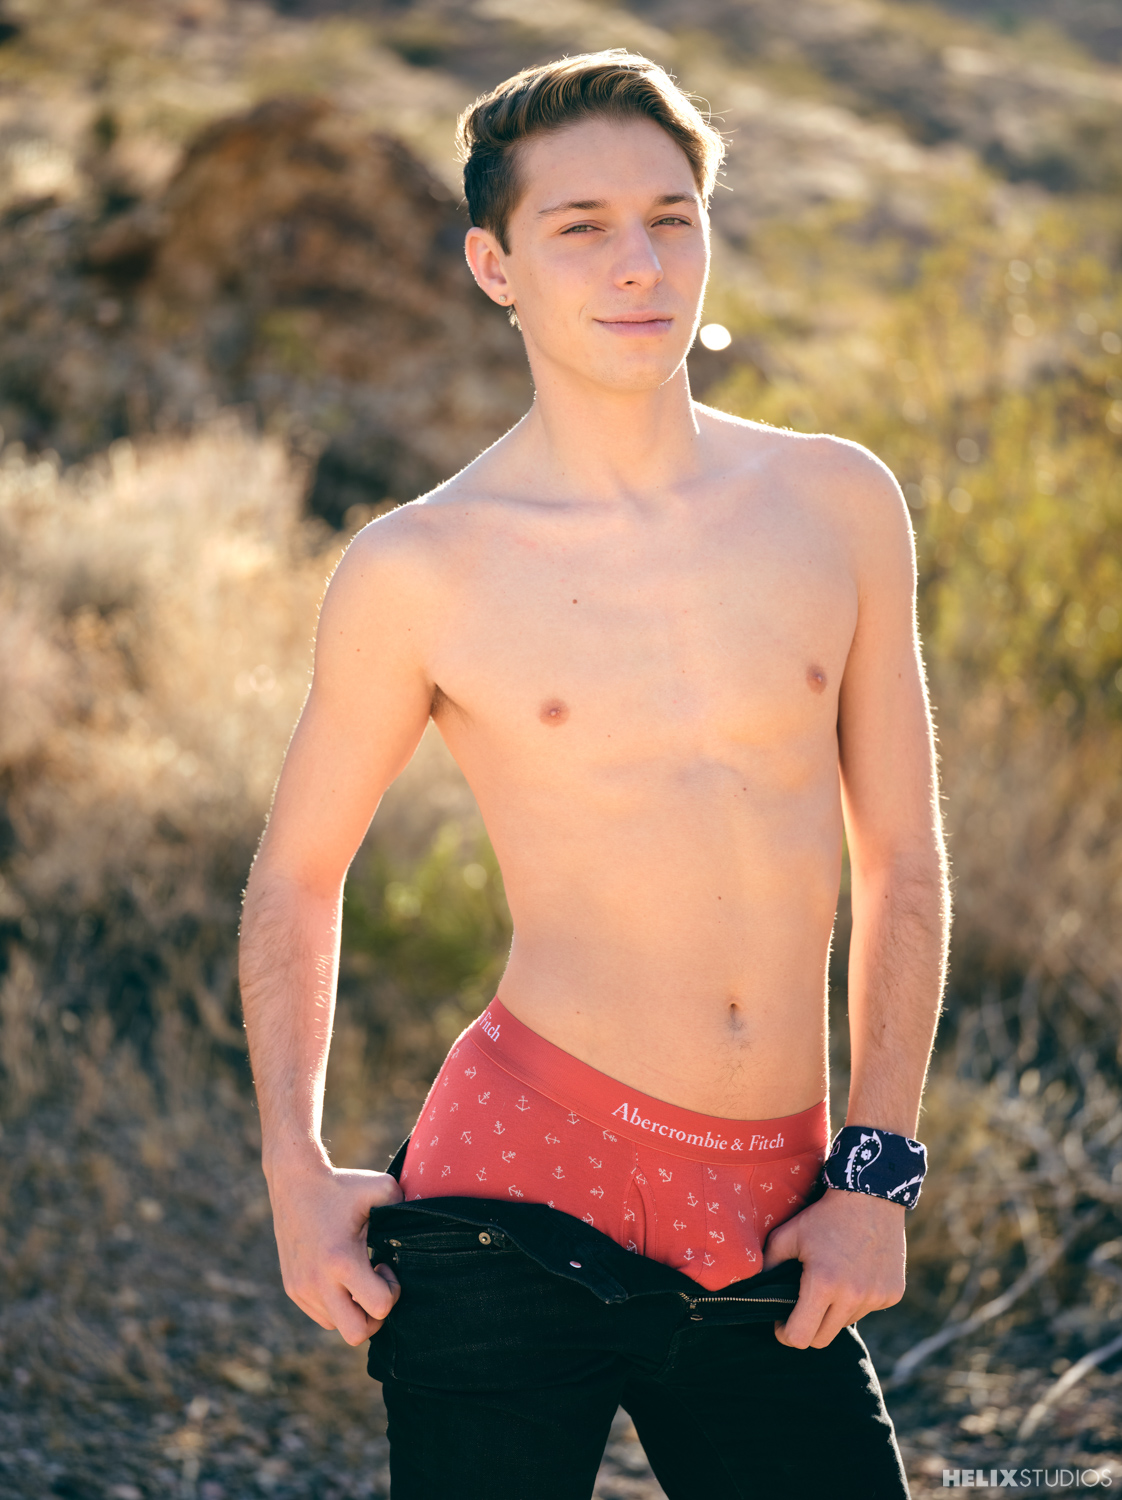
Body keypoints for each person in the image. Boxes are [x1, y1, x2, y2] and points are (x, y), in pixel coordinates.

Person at [239, 49, 949, 1500]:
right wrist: (295, 1173)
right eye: (582, 228)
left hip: (775, 1210)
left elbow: (903, 860)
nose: (640, 265)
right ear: (494, 266)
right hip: (514, 1196)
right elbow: (298, 875)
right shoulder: (420, 567)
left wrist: (875, 1173)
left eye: (672, 219)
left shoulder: (836, 503)